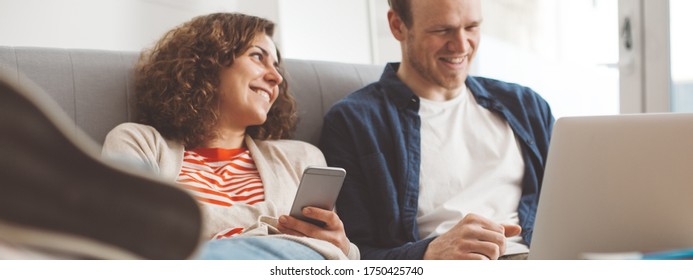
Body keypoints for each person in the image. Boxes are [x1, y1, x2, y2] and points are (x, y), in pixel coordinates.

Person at [102, 13, 358, 260]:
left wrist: (346, 248)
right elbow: (131, 228)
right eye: (258, 57)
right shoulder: (137, 143)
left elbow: (330, 253)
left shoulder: (302, 157)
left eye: (276, 66)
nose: (276, 77)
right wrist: (272, 218)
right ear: (208, 63)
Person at [319, 0, 554, 260]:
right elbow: (352, 255)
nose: (462, 45)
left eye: (472, 27)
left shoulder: (527, 106)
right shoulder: (355, 122)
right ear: (398, 26)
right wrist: (429, 253)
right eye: (442, 30)